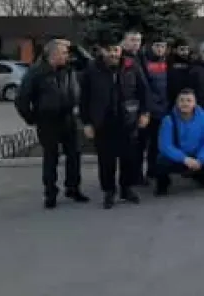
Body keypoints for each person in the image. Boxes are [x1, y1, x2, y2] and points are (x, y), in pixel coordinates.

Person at [80, 31, 150, 209]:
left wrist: (145, 113)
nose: (113, 54)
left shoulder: (131, 66)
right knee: (106, 161)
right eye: (109, 50)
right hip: (103, 122)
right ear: (102, 51)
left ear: (121, 50)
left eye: (116, 50)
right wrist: (86, 122)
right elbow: (84, 98)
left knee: (129, 158)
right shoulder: (92, 69)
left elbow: (143, 91)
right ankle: (109, 191)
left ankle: (127, 189)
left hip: (128, 120)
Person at [15, 39, 89, 209]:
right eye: (64, 53)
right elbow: (22, 100)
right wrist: (32, 118)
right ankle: (50, 193)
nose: (67, 55)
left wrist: (75, 46)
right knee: (51, 157)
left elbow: (88, 63)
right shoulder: (36, 72)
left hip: (68, 118)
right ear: (53, 55)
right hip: (48, 121)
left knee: (74, 155)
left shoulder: (69, 68)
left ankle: (73, 188)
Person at [154, 88, 204, 196]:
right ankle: (163, 184)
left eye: (189, 100)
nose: (185, 103)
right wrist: (184, 159)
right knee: (161, 161)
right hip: (178, 157)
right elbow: (165, 146)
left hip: (197, 156)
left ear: (195, 103)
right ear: (177, 103)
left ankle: (201, 177)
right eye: (182, 100)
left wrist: (201, 159)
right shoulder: (168, 120)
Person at [137, 36, 169, 184]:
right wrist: (149, 106)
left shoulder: (165, 61)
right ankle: (137, 174)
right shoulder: (144, 62)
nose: (160, 49)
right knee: (141, 144)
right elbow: (144, 87)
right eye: (157, 46)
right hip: (148, 109)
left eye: (163, 47)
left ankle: (152, 170)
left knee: (156, 143)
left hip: (162, 109)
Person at [167, 37, 193, 105]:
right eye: (182, 49)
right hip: (172, 101)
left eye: (187, 49)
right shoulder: (169, 62)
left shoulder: (192, 63)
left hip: (188, 101)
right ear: (175, 50)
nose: (185, 52)